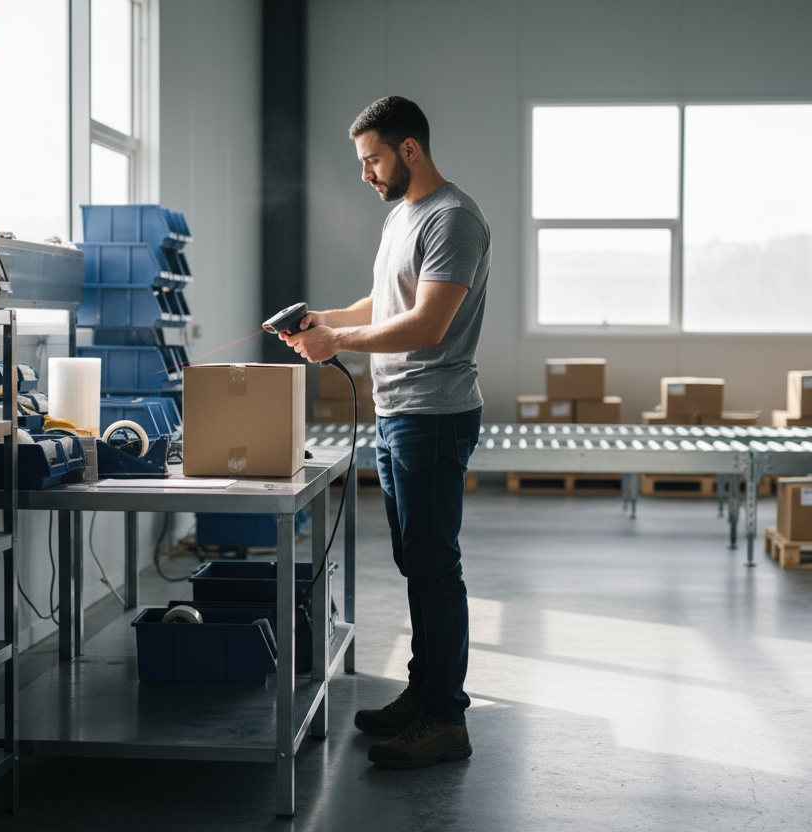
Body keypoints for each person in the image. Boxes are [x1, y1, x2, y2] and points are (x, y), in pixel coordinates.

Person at [280, 95, 490, 770]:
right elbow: (387, 302)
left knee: (434, 566)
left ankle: (446, 719)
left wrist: (338, 340)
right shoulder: (405, 216)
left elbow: (427, 325)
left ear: (409, 150)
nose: (365, 173)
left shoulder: (454, 218)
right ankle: (423, 692)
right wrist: (323, 319)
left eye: (371, 159)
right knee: (415, 561)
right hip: (401, 410)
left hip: (435, 413)